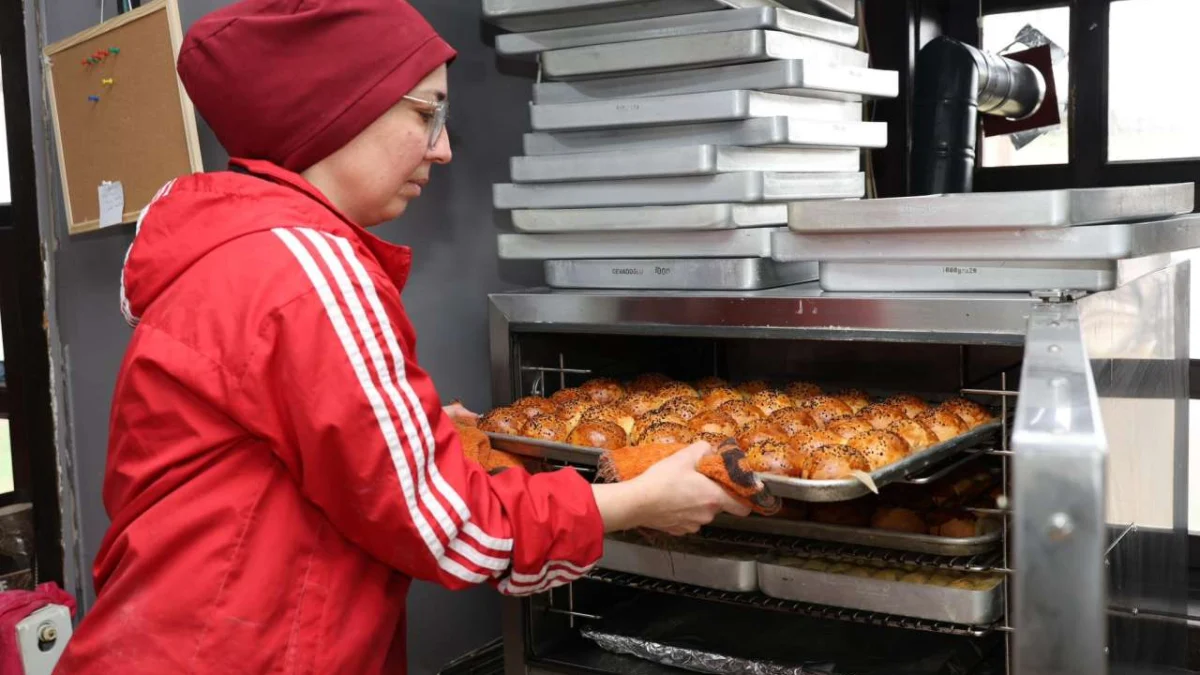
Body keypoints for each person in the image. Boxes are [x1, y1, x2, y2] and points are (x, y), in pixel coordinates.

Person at [53, 1, 750, 673]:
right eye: (427, 113)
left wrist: (410, 439)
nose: (443, 149)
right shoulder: (309, 272)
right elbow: (454, 530)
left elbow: (274, 461)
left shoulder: (235, 255)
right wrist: (641, 501)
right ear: (336, 112)